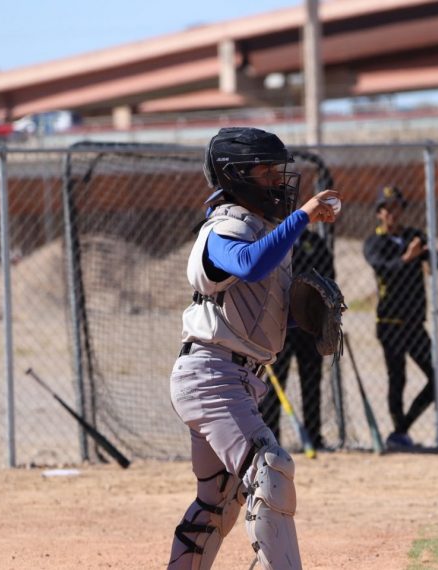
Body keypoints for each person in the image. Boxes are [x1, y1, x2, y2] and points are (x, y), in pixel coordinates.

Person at [168, 126, 340, 569]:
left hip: (232, 377)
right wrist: (303, 216)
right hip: (212, 375)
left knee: (219, 500)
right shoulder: (225, 227)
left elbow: (257, 311)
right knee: (271, 471)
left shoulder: (262, 230)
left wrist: (302, 317)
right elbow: (249, 263)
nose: (276, 180)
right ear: (237, 175)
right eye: (266, 171)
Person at [363, 185, 438, 449]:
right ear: (379, 213)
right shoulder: (374, 242)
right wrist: (406, 258)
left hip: (414, 322)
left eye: (397, 207)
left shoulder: (414, 236)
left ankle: (401, 430)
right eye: (387, 208)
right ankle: (399, 434)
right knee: (397, 378)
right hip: (390, 322)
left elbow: (432, 263)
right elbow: (383, 269)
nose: (392, 213)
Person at [260, 225, 334, 450]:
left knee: (311, 379)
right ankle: (271, 437)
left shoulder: (315, 242)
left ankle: (314, 436)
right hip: (279, 323)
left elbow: (328, 276)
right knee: (275, 381)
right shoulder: (275, 240)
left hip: (308, 324)